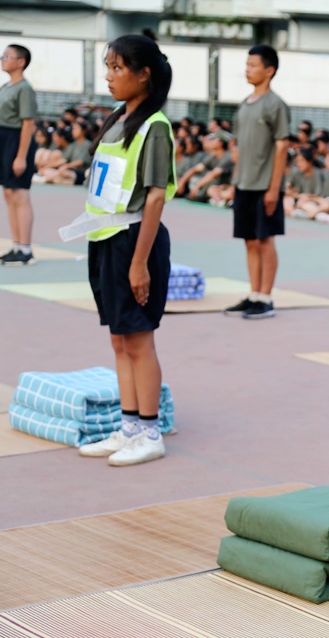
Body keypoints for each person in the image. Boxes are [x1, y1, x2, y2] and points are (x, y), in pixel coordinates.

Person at [70, 35, 175, 465]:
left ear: (143, 73)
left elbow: (154, 198)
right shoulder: (118, 120)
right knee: (119, 340)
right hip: (105, 239)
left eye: (117, 67)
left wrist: (138, 265)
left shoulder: (155, 126)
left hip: (135, 242)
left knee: (138, 340)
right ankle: (128, 426)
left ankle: (149, 433)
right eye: (108, 67)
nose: (109, 76)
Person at [224, 45, 290, 320]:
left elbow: (282, 146)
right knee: (249, 241)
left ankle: (266, 297)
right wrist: (234, 181)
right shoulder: (244, 104)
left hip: (265, 186)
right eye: (247, 64)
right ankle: (253, 294)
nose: (247, 70)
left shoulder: (276, 105)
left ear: (269, 70)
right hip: (244, 184)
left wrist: (274, 188)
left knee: (265, 241)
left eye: (253, 65)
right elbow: (238, 146)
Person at [1, 43, 38, 266]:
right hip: (4, 140)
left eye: (8, 56)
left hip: (16, 141)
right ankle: (16, 245)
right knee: (9, 194)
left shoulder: (24, 88)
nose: (3, 59)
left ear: (21, 62)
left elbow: (27, 123)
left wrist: (21, 156)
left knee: (20, 193)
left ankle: (26, 248)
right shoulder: (7, 86)